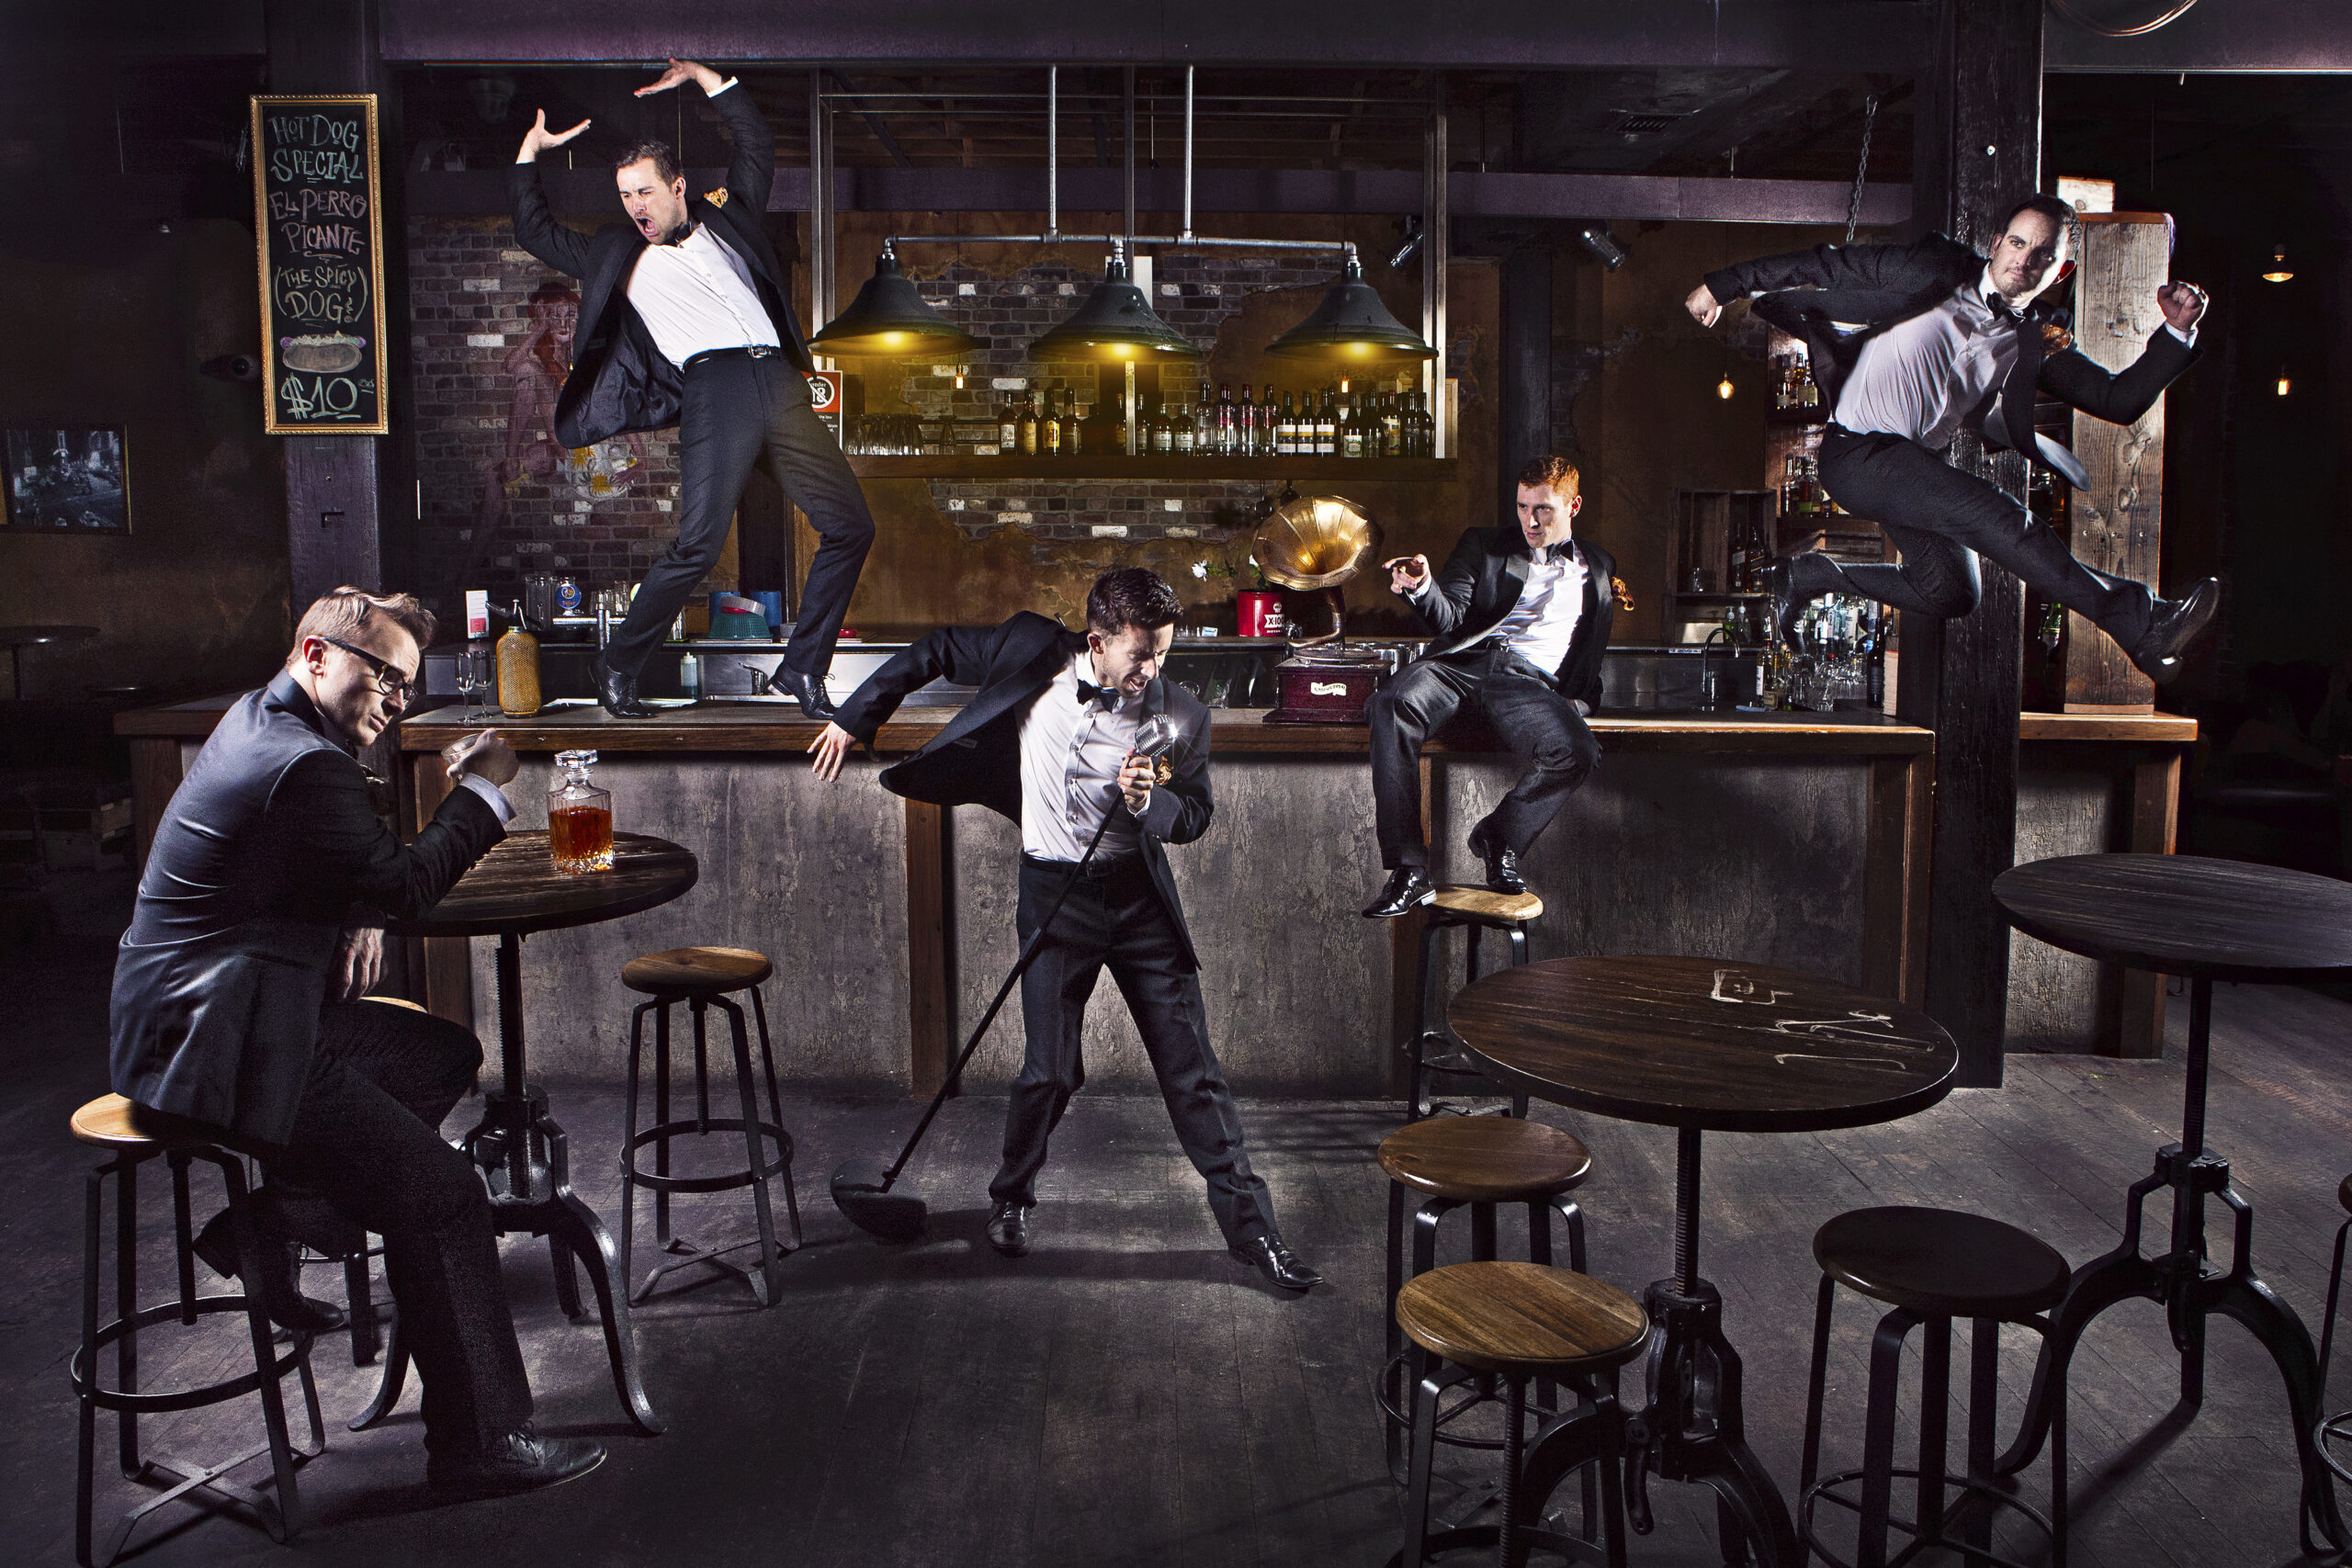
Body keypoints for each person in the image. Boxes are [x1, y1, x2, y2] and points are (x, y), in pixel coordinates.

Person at [107, 589, 603, 1498]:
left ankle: (274, 1222)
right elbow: (406, 881)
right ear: (314, 653)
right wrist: (487, 786)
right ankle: (478, 1445)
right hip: (223, 1046)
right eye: (379, 674)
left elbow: (317, 863)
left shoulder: (265, 721)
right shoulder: (303, 763)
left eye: (405, 686)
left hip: (224, 1011)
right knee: (445, 1192)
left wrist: (354, 906)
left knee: (439, 1057)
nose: (392, 701)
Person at [808, 568, 1322, 1292]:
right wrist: (856, 715)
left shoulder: (1182, 716)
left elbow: (1196, 814)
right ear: (1097, 641)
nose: (1153, 671)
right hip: (1054, 891)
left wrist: (1152, 805)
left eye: (1164, 654)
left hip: (1139, 903)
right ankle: (1011, 1198)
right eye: (1140, 654)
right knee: (1049, 1068)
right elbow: (935, 650)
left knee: (1193, 1073)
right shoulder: (1028, 651)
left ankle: (1255, 1235)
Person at [1684, 193, 2219, 682]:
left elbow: (2117, 400)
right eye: (2016, 243)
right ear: (1995, 245)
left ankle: (1810, 575)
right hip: (1857, 452)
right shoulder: (1931, 269)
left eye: (2043, 255)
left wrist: (2177, 332)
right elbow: (1826, 263)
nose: (2024, 261)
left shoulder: (2033, 335)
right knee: (1999, 514)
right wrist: (1723, 285)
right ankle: (2144, 626)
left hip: (1911, 464)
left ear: (2062, 269)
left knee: (1951, 590)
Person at [509, 57, 873, 720]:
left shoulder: (728, 218)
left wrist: (708, 80)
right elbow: (535, 231)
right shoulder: (616, 255)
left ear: (677, 187)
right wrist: (529, 157)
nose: (634, 207)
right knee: (698, 545)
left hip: (781, 380)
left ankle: (802, 669)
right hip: (717, 387)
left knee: (851, 525)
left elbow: (754, 144)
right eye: (625, 196)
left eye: (644, 192)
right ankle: (617, 663)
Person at [1363, 456, 1618, 919]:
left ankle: (1498, 836)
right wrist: (1423, 587)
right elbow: (1452, 616)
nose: (1531, 520)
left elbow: (1590, 647)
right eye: (1523, 507)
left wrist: (1578, 701)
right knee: (1392, 703)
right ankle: (1408, 869)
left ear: (1573, 506)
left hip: (1526, 684)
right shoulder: (1485, 546)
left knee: (1578, 751)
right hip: (1463, 665)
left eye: (1544, 509)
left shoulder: (1598, 566)